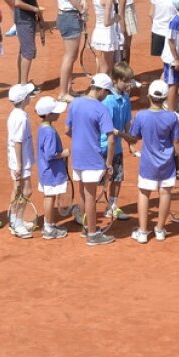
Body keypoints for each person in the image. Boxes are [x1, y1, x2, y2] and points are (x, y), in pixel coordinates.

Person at [125, 79, 179, 241]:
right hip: (167, 165)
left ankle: (143, 232)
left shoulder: (141, 116)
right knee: (165, 193)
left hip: (148, 164)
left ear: (149, 96)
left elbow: (134, 137)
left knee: (144, 194)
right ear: (165, 98)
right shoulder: (171, 117)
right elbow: (177, 142)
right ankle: (159, 229)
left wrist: (126, 139)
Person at [66, 74, 119, 246]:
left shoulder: (75, 103)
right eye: (107, 92)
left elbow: (67, 129)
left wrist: (80, 139)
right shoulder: (101, 109)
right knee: (90, 195)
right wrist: (109, 162)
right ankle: (92, 233)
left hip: (77, 156)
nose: (106, 95)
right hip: (92, 157)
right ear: (101, 90)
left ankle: (85, 227)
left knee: (82, 192)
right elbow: (111, 139)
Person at [53, 0, 84, 100]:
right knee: (69, 56)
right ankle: (63, 93)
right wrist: (82, 10)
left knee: (73, 55)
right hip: (68, 16)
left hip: (73, 15)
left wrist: (83, 4)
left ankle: (69, 89)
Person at [35, 94, 70, 239]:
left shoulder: (44, 127)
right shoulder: (49, 131)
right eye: (56, 112)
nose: (59, 114)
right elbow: (50, 154)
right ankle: (48, 228)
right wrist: (63, 154)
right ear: (49, 114)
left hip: (46, 171)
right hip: (52, 172)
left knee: (49, 196)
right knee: (49, 197)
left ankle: (49, 224)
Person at [4, 83, 36, 238]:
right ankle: (17, 223)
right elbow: (18, 142)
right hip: (20, 161)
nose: (31, 96)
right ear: (23, 99)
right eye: (28, 95)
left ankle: (14, 220)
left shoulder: (16, 114)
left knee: (17, 190)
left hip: (17, 160)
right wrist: (20, 165)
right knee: (26, 190)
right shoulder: (21, 118)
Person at [11, 0, 46, 86]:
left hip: (29, 18)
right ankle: (23, 86)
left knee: (24, 51)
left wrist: (39, 16)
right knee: (28, 52)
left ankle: (21, 82)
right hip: (23, 19)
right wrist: (35, 9)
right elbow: (17, 2)